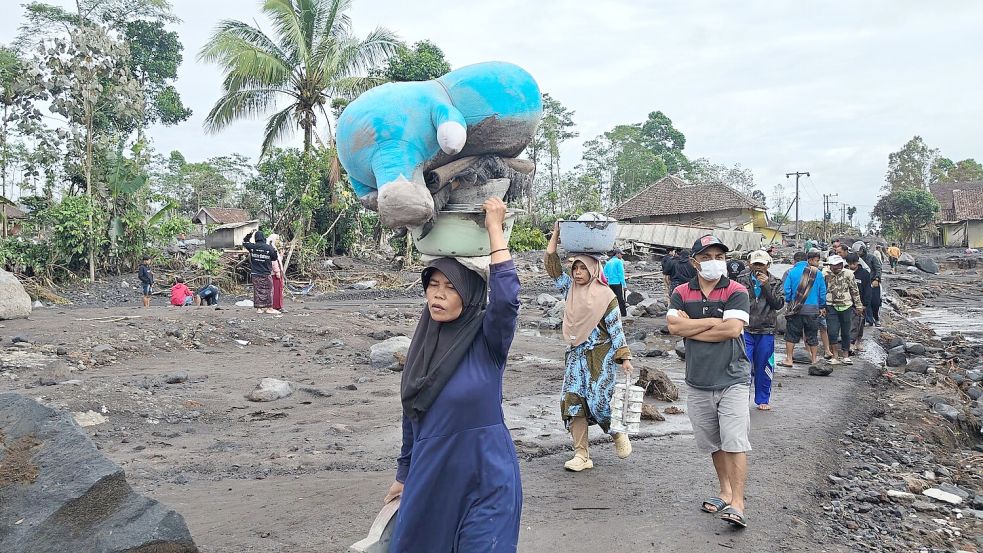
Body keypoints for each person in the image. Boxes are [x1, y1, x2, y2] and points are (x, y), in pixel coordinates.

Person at [385, 198, 521, 552]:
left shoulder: (487, 341)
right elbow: (411, 413)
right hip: (433, 473)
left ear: (470, 294)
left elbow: (506, 300)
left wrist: (494, 229)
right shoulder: (422, 348)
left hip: (486, 472)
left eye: (451, 286)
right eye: (433, 285)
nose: (439, 295)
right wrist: (404, 473)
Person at [667, 234, 751, 528]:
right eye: (706, 258)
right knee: (714, 442)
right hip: (698, 380)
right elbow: (673, 326)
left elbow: (732, 331)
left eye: (719, 257)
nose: (714, 263)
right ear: (694, 262)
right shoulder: (680, 291)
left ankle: (738, 503)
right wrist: (714, 321)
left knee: (734, 440)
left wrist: (690, 327)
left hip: (733, 378)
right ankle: (725, 492)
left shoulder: (737, 290)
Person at [545, 222, 634, 472]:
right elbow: (551, 266)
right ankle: (581, 455)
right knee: (573, 402)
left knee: (599, 402)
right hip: (575, 355)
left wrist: (624, 357)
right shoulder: (569, 290)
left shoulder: (606, 296)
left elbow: (616, 328)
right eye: (575, 268)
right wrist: (556, 235)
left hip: (600, 356)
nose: (577, 272)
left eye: (583, 268)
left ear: (594, 269)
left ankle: (616, 432)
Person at [736, 250, 784, 411]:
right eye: (755, 264)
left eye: (761, 265)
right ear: (750, 264)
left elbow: (778, 304)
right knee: (743, 365)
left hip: (766, 329)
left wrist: (766, 287)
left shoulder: (775, 282)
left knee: (764, 366)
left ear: (768, 265)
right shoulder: (742, 280)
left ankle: (763, 399)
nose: (758, 268)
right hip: (746, 328)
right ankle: (742, 398)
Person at [780, 249, 827, 367]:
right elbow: (822, 292)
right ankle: (814, 360)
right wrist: (821, 306)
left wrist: (790, 302)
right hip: (813, 310)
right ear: (806, 260)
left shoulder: (791, 272)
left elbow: (787, 290)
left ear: (794, 261)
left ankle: (789, 359)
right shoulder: (817, 273)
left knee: (791, 335)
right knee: (812, 334)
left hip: (796, 309)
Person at [822, 255, 863, 365]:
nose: (838, 267)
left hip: (846, 305)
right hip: (830, 305)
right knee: (832, 331)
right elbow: (821, 290)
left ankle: (845, 355)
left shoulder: (848, 274)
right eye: (836, 265)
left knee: (846, 331)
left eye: (840, 264)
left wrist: (859, 305)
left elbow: (854, 290)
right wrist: (821, 306)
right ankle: (835, 356)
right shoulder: (825, 274)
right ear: (831, 266)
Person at [243, 231, 280, 315]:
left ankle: (259, 309)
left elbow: (245, 242)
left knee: (257, 290)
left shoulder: (252, 247)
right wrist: (273, 248)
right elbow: (274, 258)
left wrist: (249, 234)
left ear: (255, 238)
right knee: (269, 290)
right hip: (266, 273)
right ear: (263, 238)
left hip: (255, 273)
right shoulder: (268, 248)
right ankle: (269, 308)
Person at [846, 253, 871, 354]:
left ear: (857, 262)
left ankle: (858, 341)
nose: (852, 266)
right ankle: (851, 342)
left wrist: (865, 303)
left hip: (861, 303)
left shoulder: (864, 274)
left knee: (860, 323)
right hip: (847, 302)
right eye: (850, 264)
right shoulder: (845, 272)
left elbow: (868, 289)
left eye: (854, 264)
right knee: (852, 323)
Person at [852, 241, 882, 326]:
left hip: (873, 283)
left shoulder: (872, 257)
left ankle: (876, 318)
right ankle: (867, 320)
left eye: (860, 251)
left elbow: (878, 269)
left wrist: (877, 279)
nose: (859, 253)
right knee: (864, 303)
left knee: (875, 302)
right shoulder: (856, 259)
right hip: (863, 284)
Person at [604, 247, 628, 317]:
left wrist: (607, 281)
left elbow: (604, 273)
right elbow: (621, 274)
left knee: (612, 299)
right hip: (617, 283)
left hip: (610, 284)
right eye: (621, 254)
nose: (622, 256)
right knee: (620, 299)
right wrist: (624, 285)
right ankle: (623, 314)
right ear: (617, 254)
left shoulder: (609, 262)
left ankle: (612, 314)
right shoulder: (618, 261)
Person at [268, 233, 285, 312]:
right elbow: (273, 262)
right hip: (275, 273)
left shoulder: (273, 248)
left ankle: (277, 305)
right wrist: (277, 271)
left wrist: (281, 255)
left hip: (276, 272)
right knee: (277, 290)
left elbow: (277, 260)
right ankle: (277, 306)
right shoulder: (271, 248)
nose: (278, 241)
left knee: (278, 289)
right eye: (277, 239)